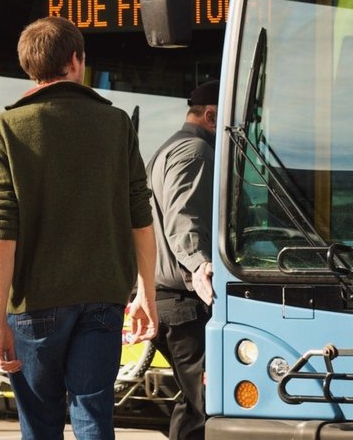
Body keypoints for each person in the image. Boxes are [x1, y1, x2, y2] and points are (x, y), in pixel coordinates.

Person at [0, 16, 158, 439]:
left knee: (41, 425)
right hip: (103, 299)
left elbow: (2, 232)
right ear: (77, 61)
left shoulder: (5, 129)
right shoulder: (116, 124)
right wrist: (146, 293)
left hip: (36, 305)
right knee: (94, 415)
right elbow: (140, 216)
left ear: (29, 67)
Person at [147, 80, 217, 440]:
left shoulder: (168, 148)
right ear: (210, 114)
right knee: (210, 402)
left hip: (166, 298)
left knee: (192, 404)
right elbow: (183, 218)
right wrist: (200, 265)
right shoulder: (196, 151)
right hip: (184, 299)